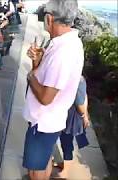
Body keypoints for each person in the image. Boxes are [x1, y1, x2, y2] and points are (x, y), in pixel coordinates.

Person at [23, 0, 84, 179]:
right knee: (44, 161)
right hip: (47, 120)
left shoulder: (63, 52)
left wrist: (30, 76)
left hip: (42, 122)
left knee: (35, 171)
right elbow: (45, 78)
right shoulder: (65, 43)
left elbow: (46, 97)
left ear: (49, 18)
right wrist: (37, 62)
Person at [54, 76, 90, 178]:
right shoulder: (79, 78)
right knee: (64, 140)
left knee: (66, 141)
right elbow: (85, 97)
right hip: (66, 113)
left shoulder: (77, 80)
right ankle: (65, 164)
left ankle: (66, 170)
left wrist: (84, 115)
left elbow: (81, 101)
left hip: (70, 116)